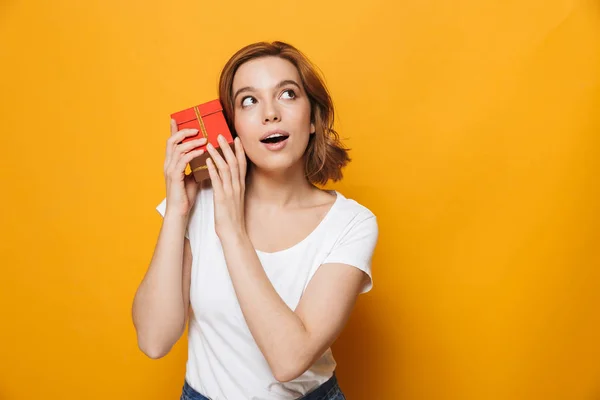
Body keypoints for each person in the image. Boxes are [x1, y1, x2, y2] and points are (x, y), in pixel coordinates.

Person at [132, 41, 379, 400]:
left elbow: (288, 359)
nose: (270, 114)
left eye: (288, 95)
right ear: (232, 126)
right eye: (249, 100)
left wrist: (231, 230)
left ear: (312, 119)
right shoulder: (198, 203)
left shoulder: (351, 224)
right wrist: (176, 211)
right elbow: (154, 340)